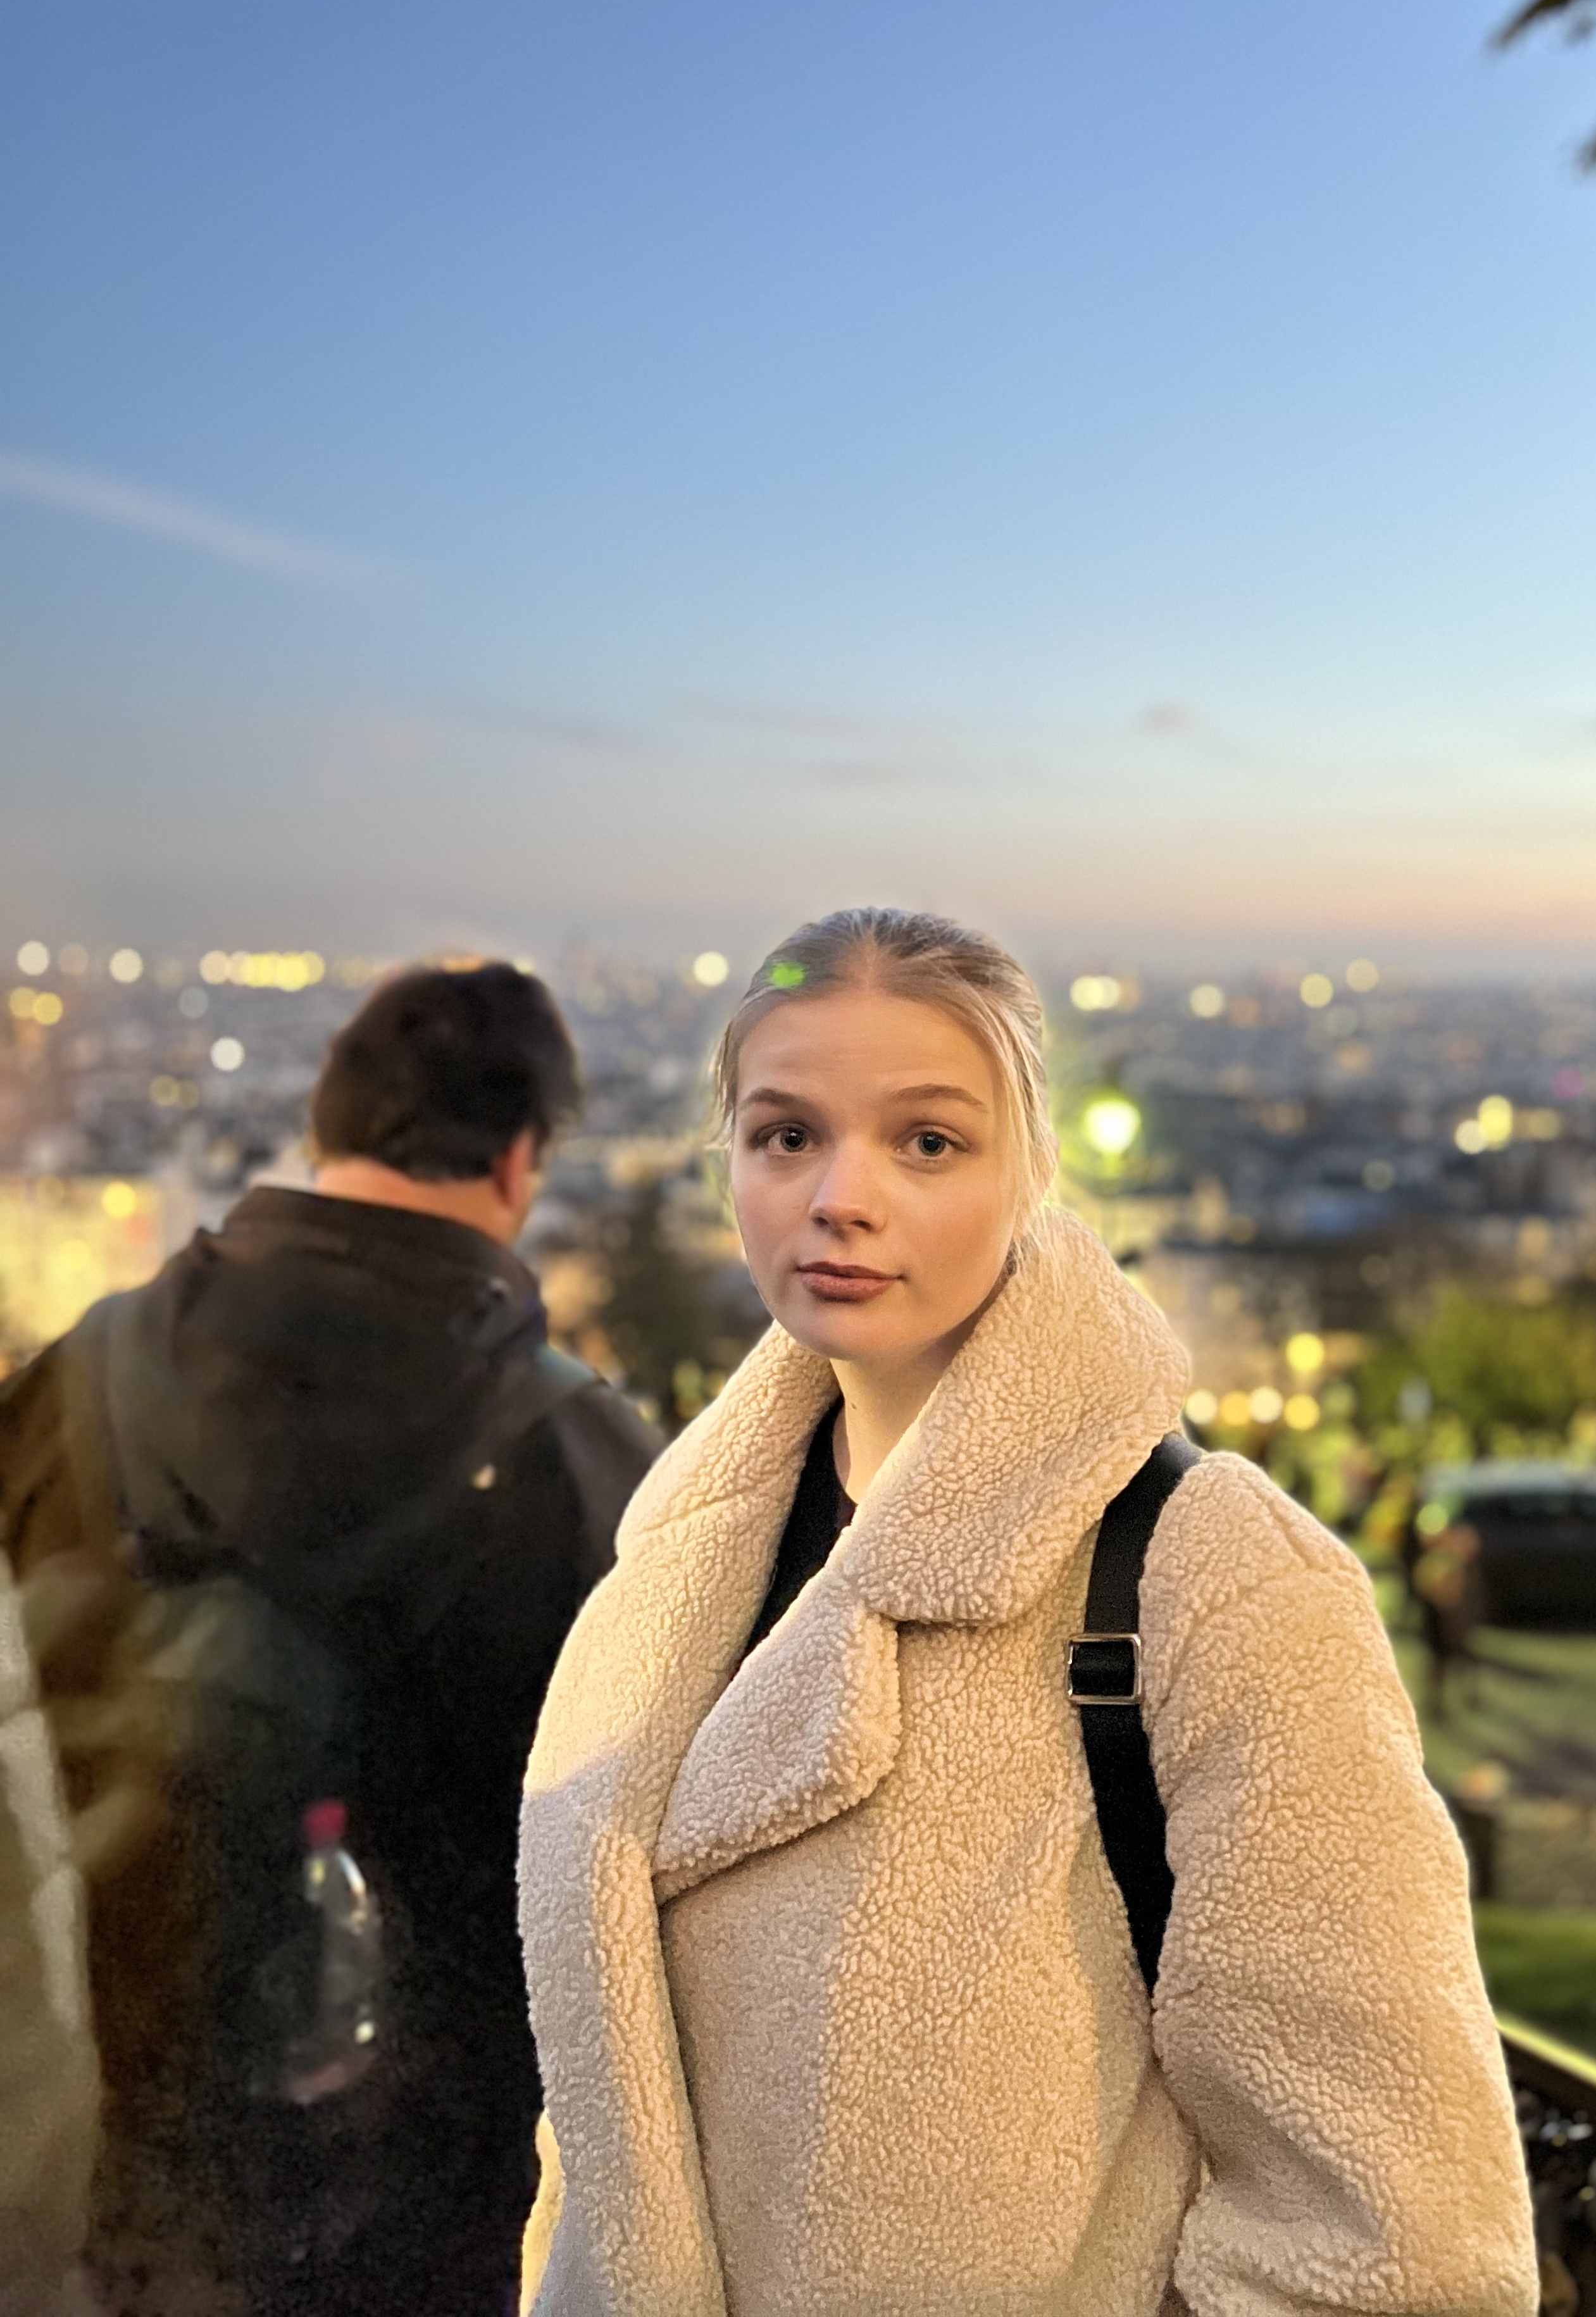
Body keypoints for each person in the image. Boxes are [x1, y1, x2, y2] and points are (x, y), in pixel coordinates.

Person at [520, 909, 1533, 2317]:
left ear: (1033, 1169)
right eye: (786, 1135)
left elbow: (1400, 2234)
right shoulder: (681, 1565)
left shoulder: (1213, 1576)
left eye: (929, 1142)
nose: (842, 1197)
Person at [0, 960, 658, 2317]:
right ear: (521, 1160)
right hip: (450, 2225)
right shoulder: (588, 1466)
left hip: (122, 2201)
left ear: (325, 1123)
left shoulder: (73, 1385)